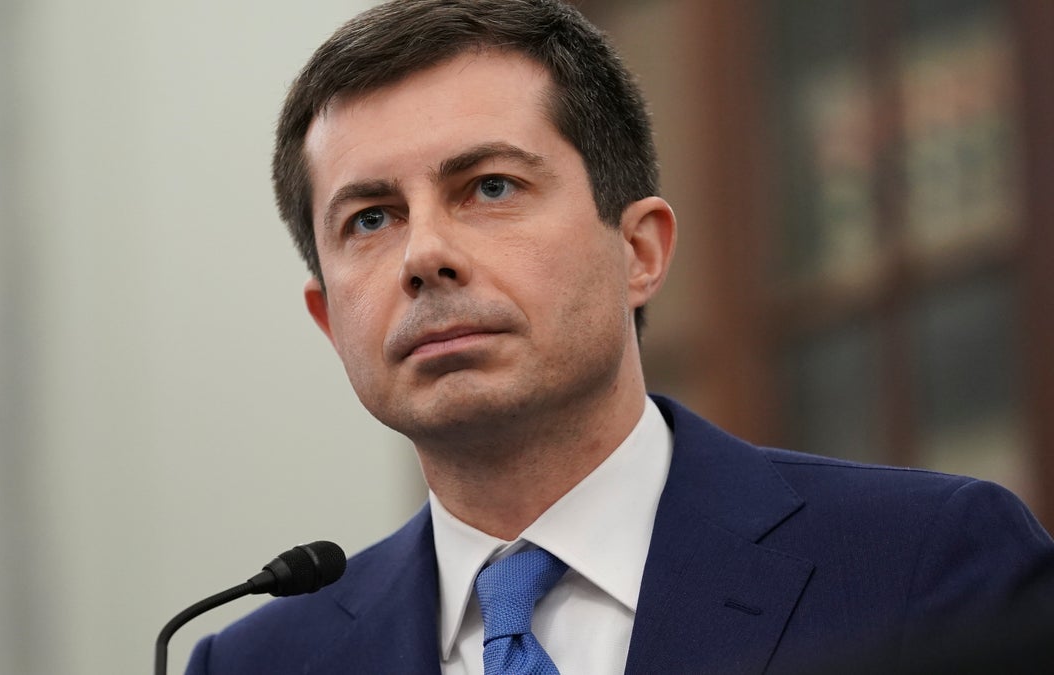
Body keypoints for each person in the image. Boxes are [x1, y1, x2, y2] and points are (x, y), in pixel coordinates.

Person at [187, 1, 1054, 672]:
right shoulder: (255, 661)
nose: (424, 256)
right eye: (371, 217)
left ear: (639, 251)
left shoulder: (924, 564)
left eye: (489, 188)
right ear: (329, 320)